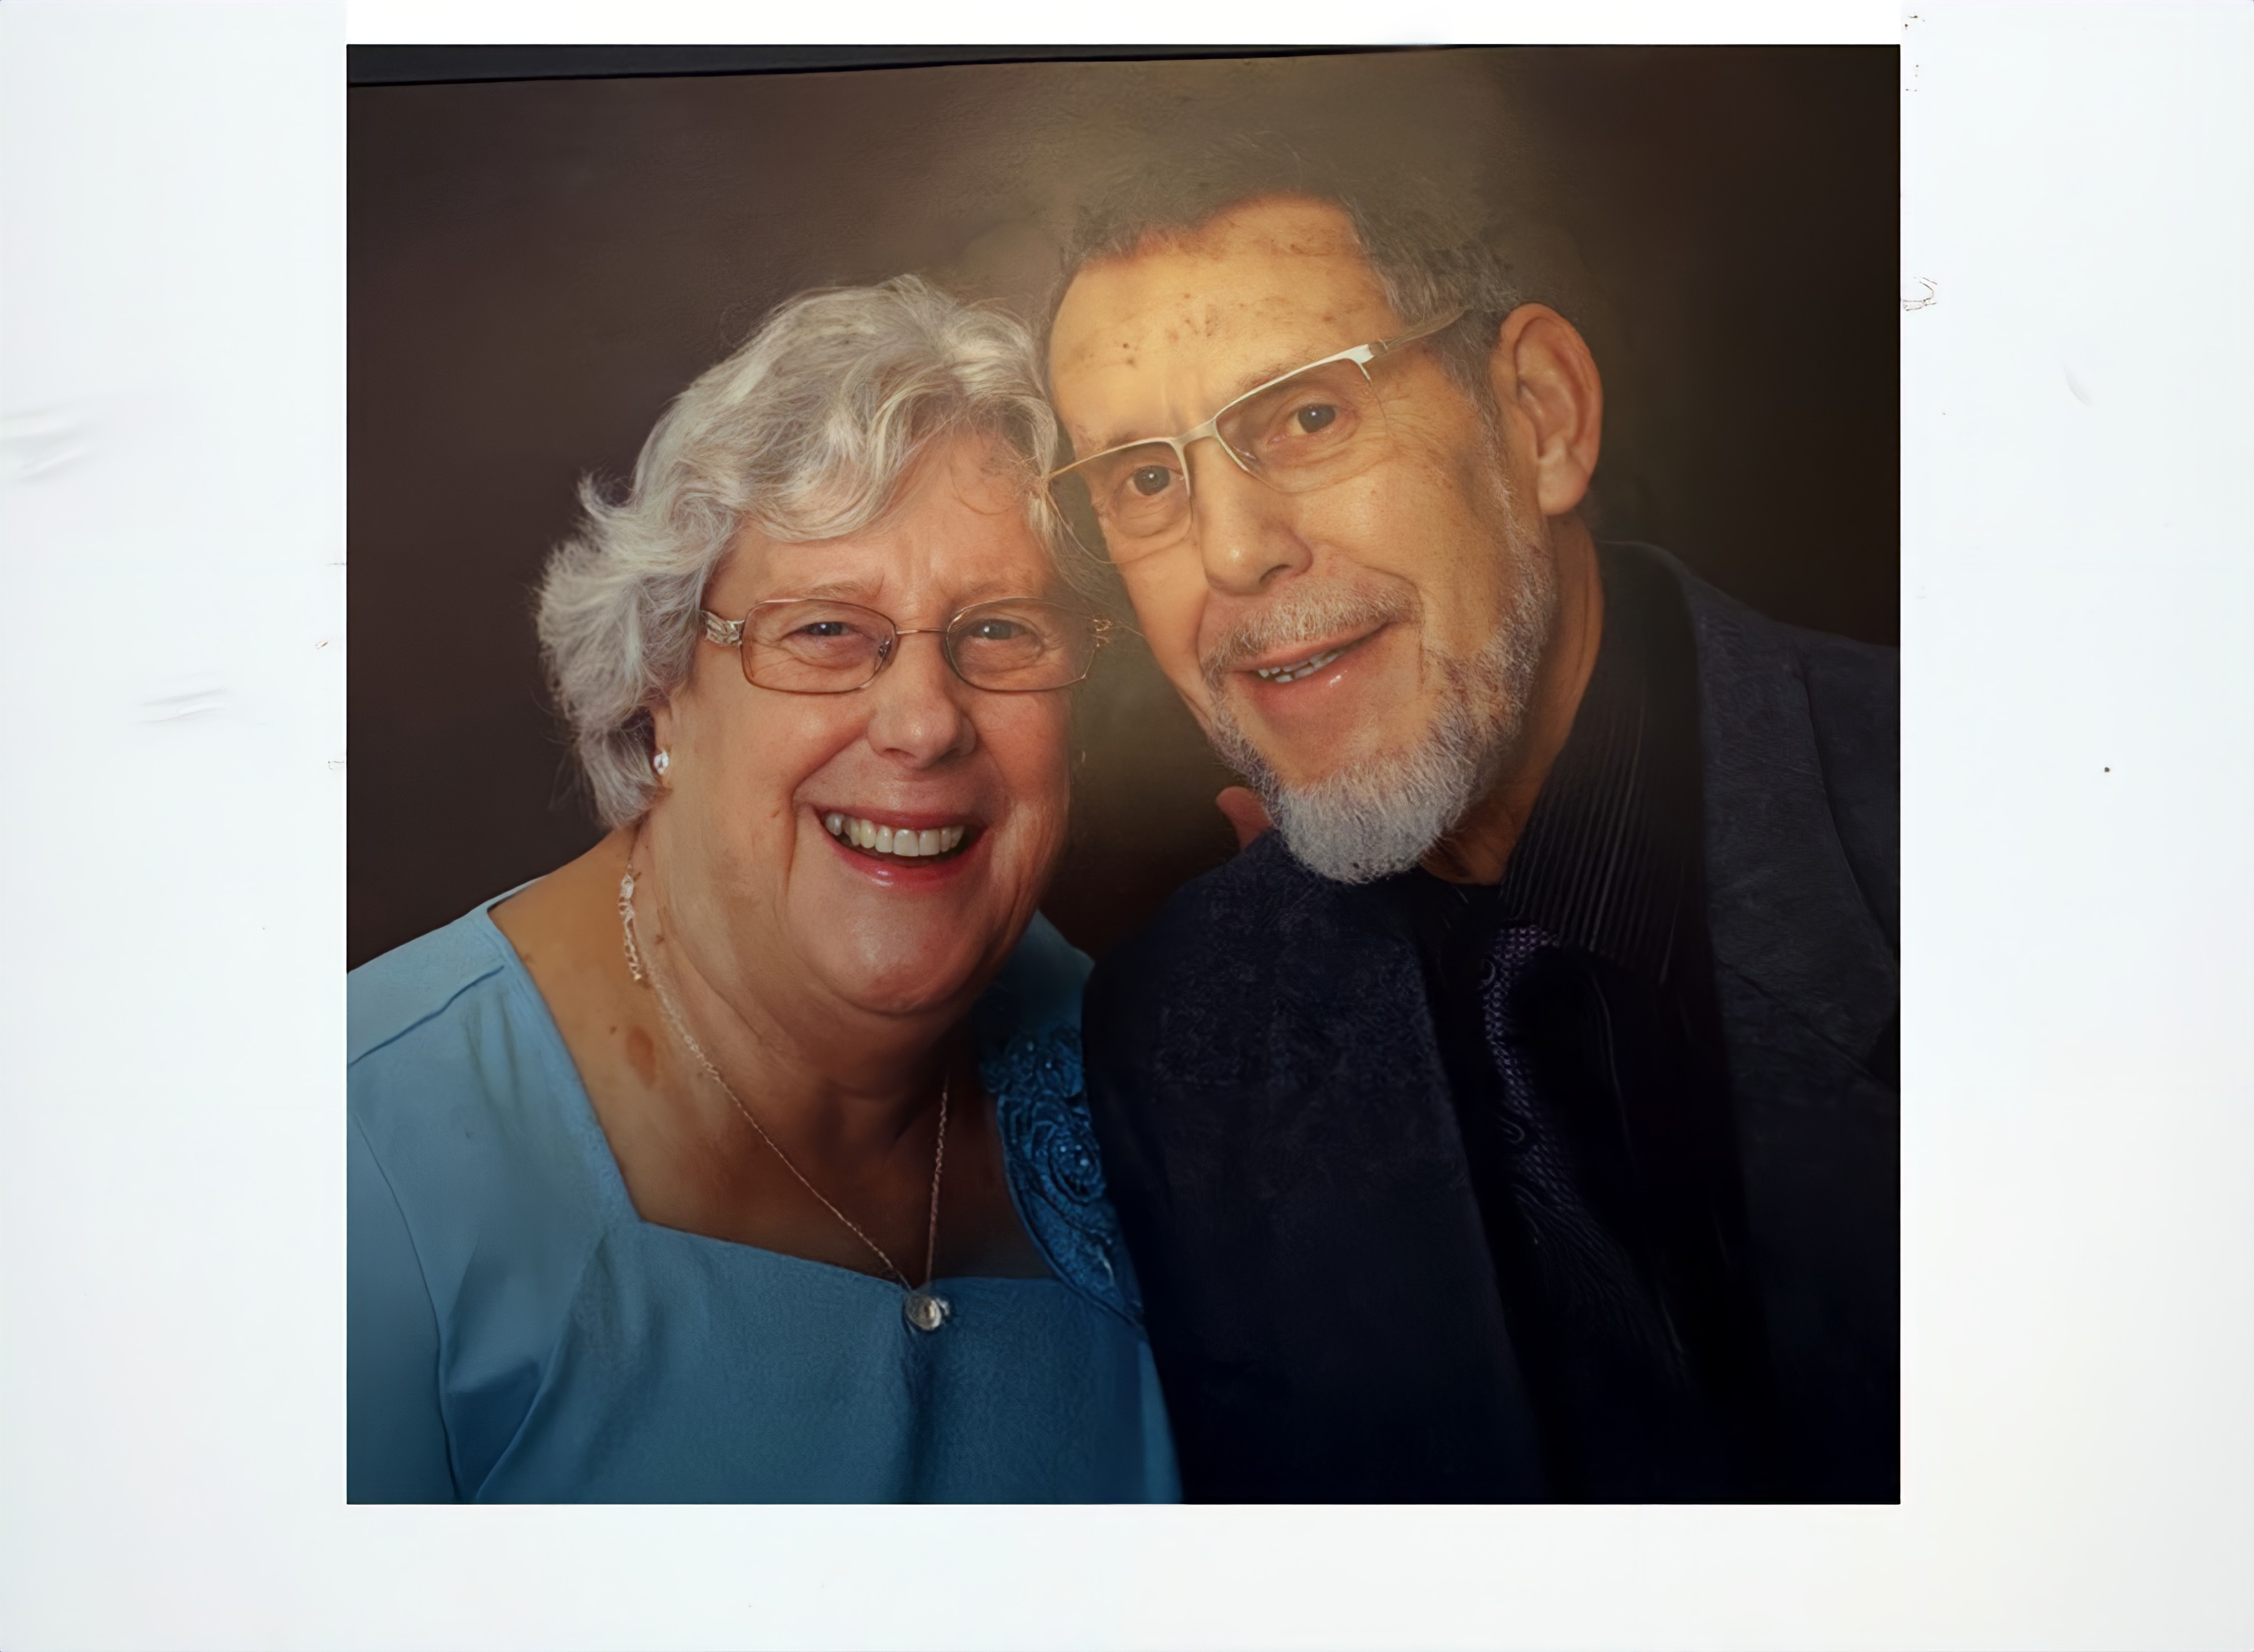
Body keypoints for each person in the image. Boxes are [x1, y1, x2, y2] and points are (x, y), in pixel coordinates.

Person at [1044, 155, 1897, 1501]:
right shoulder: (1169, 1034)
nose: (1231, 552)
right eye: (1146, 480)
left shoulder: (2007, 819)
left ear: (1540, 418)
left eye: (1308, 414)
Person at [348, 278, 1177, 1502]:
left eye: (1002, 631)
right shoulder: (358, 1156)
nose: (923, 723)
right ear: (661, 688)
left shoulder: (1156, 1059)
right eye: (826, 630)